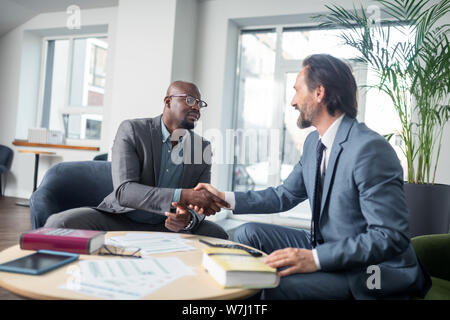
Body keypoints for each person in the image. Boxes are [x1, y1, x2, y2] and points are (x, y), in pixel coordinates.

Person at [180, 54, 431, 299]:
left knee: (276, 285)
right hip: (326, 244)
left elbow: (389, 236)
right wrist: (224, 198)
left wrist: (315, 259)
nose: (292, 102)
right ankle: (239, 283)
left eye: (297, 90)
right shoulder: (314, 143)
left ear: (319, 93)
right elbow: (285, 195)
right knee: (247, 234)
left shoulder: (369, 149)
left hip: (372, 270)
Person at [45, 81, 230, 239]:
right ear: (168, 101)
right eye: (190, 100)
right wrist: (183, 195)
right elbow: (125, 192)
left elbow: (201, 201)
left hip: (167, 227)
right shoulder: (133, 130)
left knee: (217, 234)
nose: (196, 107)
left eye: (200, 104)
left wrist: (187, 219)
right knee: (59, 222)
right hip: (121, 219)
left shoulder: (202, 147)